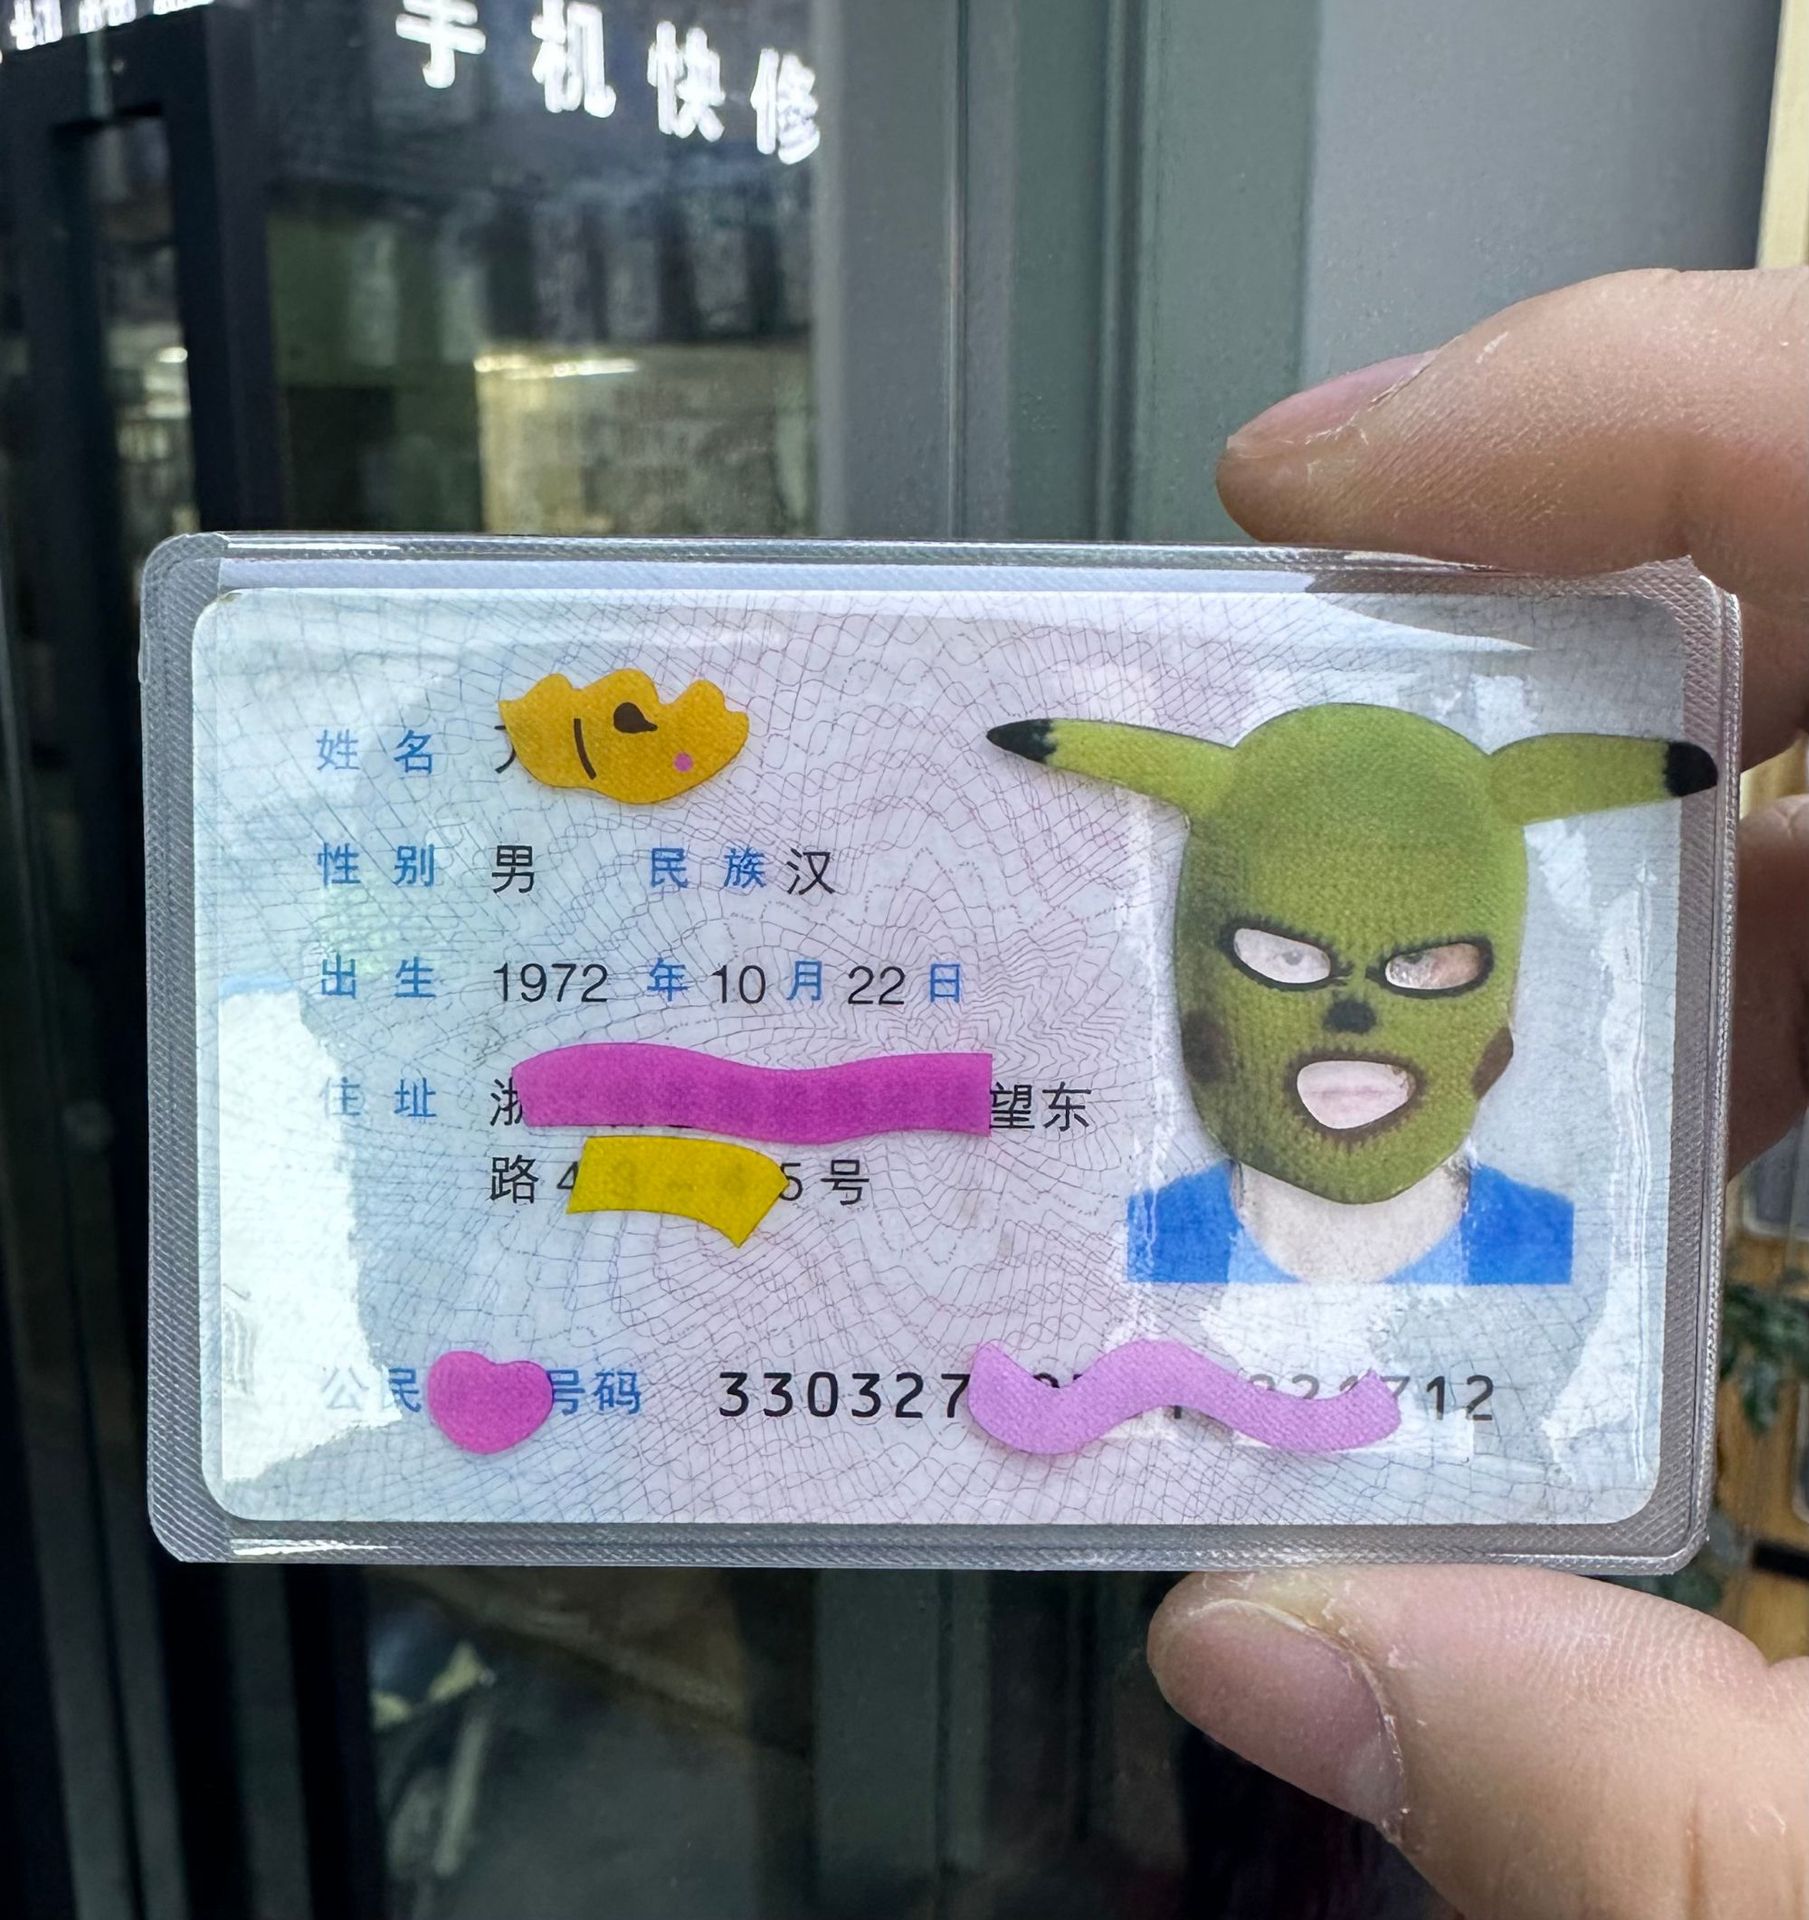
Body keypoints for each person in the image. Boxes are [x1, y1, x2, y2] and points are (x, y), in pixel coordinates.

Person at [1145, 266, 1809, 1918]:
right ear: (1202, 1013)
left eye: (1428, 969)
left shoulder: (1553, 1269)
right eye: (1282, 960)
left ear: (1498, 1022)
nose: (1352, 1011)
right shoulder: (1152, 1250)